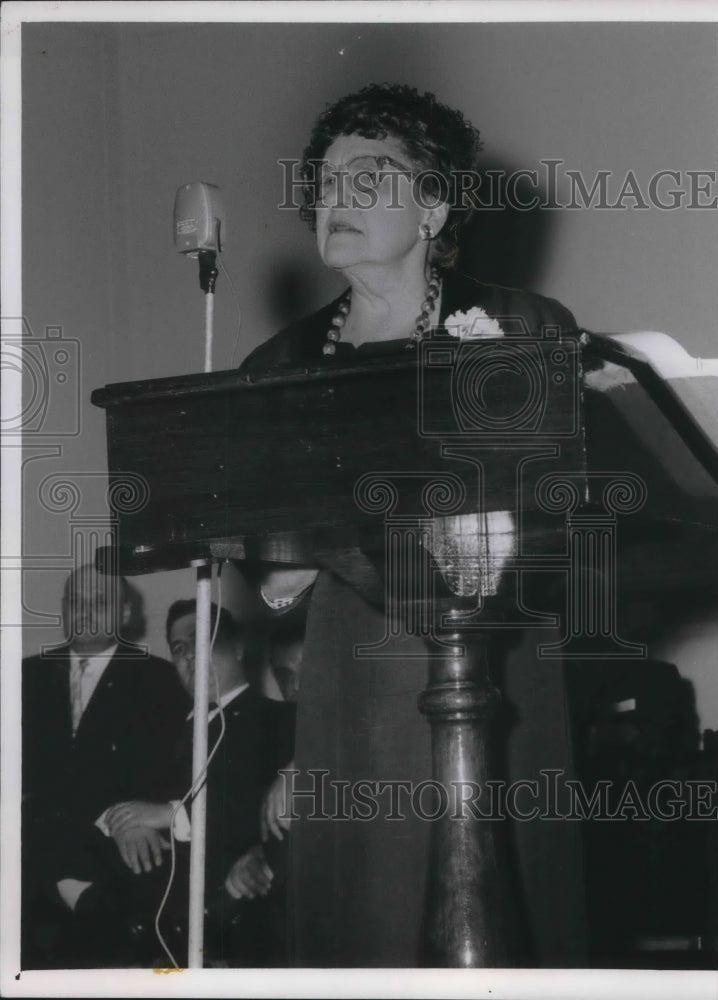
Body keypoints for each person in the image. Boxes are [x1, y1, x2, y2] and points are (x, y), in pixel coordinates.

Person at [239, 83, 586, 967]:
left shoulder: (520, 327)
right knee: (371, 921)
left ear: (433, 204)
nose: (335, 197)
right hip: (354, 683)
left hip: (499, 667)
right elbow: (277, 585)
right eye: (324, 179)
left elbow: (560, 526)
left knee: (511, 925)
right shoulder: (277, 366)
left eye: (369, 176)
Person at [76, 601, 295, 967]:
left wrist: (168, 815)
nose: (189, 655)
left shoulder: (278, 719)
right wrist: (123, 821)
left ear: (238, 646)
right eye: (178, 648)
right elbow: (102, 782)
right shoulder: (155, 725)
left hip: (215, 890)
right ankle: (100, 913)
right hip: (139, 873)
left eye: (201, 639)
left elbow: (260, 811)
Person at [21, 562, 188, 968]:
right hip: (36, 834)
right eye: (75, 601)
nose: (84, 611)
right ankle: (71, 888)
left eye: (99, 602)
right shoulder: (24, 676)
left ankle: (71, 889)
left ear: (126, 614)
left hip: (113, 847)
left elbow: (165, 770)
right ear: (62, 608)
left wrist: (124, 817)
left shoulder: (159, 678)